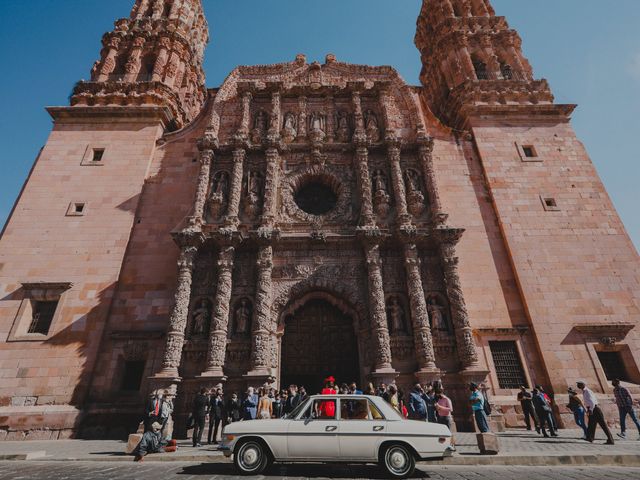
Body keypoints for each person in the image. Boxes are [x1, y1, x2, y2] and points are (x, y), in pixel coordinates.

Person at [578, 380, 615, 445]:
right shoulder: (585, 391)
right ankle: (590, 438)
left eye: (579, 384)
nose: (578, 385)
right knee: (591, 424)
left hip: (595, 409)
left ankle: (610, 440)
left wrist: (591, 410)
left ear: (583, 384)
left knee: (603, 425)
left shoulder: (587, 391)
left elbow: (592, 402)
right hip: (591, 409)